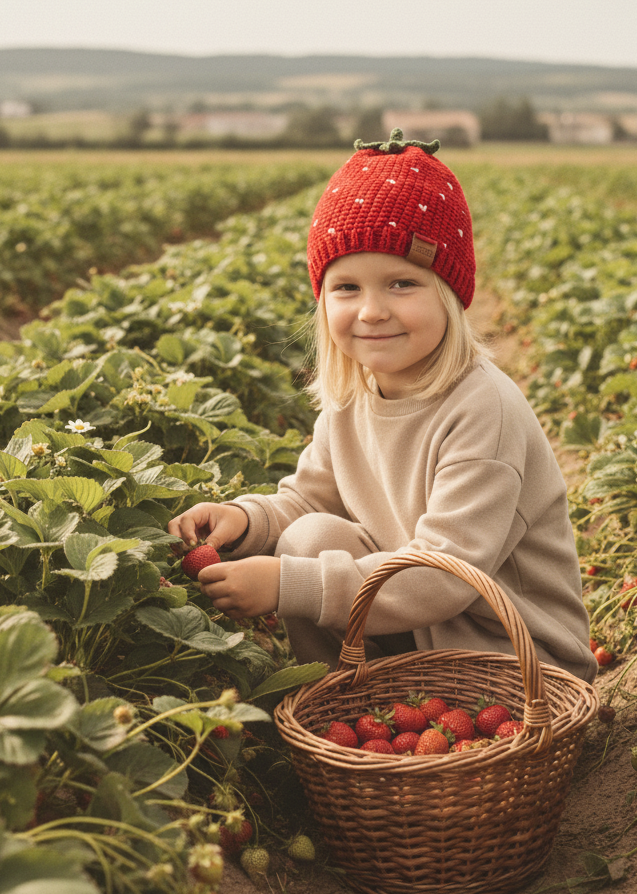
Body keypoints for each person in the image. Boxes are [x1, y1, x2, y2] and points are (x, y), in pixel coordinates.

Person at [167, 129, 597, 682]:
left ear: (448, 292)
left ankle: (390, 719)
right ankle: (347, 704)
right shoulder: (356, 394)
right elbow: (308, 500)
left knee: (303, 566)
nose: (371, 311)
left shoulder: (482, 410)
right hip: (419, 635)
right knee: (309, 538)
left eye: (401, 283)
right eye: (346, 288)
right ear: (322, 301)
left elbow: (448, 574)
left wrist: (284, 584)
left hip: (511, 663)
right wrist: (246, 520)